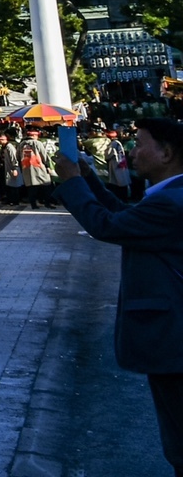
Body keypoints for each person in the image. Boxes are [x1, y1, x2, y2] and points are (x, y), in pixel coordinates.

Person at [53, 117, 183, 477]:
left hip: (173, 339)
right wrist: (89, 180)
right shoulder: (167, 198)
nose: (131, 150)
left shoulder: (170, 204)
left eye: (140, 142)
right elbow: (124, 216)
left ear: (167, 153)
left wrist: (73, 183)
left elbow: (107, 226)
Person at [1, 128, 24, 205]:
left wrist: (15, 167)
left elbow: (14, 157)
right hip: (14, 166)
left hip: (13, 167)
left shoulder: (9, 146)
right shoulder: (17, 143)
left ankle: (14, 200)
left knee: (14, 184)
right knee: (12, 183)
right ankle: (12, 199)